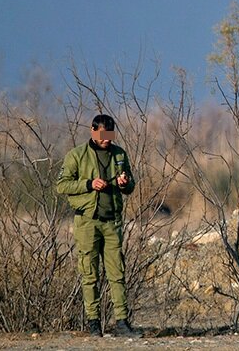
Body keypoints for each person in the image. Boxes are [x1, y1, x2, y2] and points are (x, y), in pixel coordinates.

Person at [56, 113, 141, 338]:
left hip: (112, 221)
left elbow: (130, 185)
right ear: (93, 131)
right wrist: (88, 184)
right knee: (89, 274)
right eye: (103, 134)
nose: (107, 139)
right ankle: (94, 323)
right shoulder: (77, 155)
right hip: (87, 222)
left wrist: (125, 183)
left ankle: (122, 323)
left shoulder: (119, 154)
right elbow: (62, 185)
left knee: (117, 273)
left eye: (110, 135)